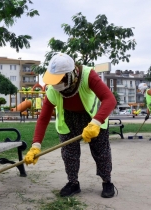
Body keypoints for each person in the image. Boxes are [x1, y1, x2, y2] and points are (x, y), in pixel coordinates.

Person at [24, 53, 117, 198]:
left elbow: (110, 99)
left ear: (70, 75)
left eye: (58, 80)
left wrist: (96, 122)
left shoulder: (88, 75)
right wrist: (36, 145)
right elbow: (43, 118)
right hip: (68, 120)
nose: (55, 85)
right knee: (69, 154)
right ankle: (73, 183)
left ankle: (107, 182)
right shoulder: (52, 90)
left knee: (101, 152)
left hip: (93, 118)